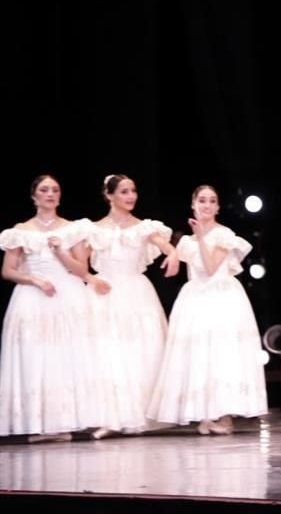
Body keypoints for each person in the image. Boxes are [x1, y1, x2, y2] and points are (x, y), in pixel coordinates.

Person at [147, 185, 267, 434]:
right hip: (195, 298)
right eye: (202, 200)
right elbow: (176, 262)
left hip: (221, 296)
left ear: (218, 207)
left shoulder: (224, 234)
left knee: (221, 354)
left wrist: (201, 236)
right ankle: (204, 414)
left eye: (212, 201)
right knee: (199, 356)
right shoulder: (187, 241)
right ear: (193, 204)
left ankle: (223, 414)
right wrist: (171, 258)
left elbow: (211, 267)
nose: (207, 205)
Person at [0, 175, 99, 441]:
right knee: (37, 358)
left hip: (67, 295)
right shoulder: (21, 231)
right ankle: (41, 423)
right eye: (44, 190)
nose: (50, 194)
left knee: (65, 357)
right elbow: (7, 271)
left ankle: (65, 423)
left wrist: (61, 253)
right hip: (33, 297)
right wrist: (32, 278)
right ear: (34, 196)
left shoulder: (73, 229)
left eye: (55, 189)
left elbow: (82, 270)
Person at [84, 174, 179, 438]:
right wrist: (90, 278)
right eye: (124, 191)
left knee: (139, 352)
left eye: (133, 191)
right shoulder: (91, 229)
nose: (131, 196)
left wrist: (172, 254)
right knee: (108, 354)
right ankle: (108, 417)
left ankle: (139, 414)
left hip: (136, 292)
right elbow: (78, 264)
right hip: (105, 291)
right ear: (109, 195)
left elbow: (166, 246)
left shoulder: (145, 227)